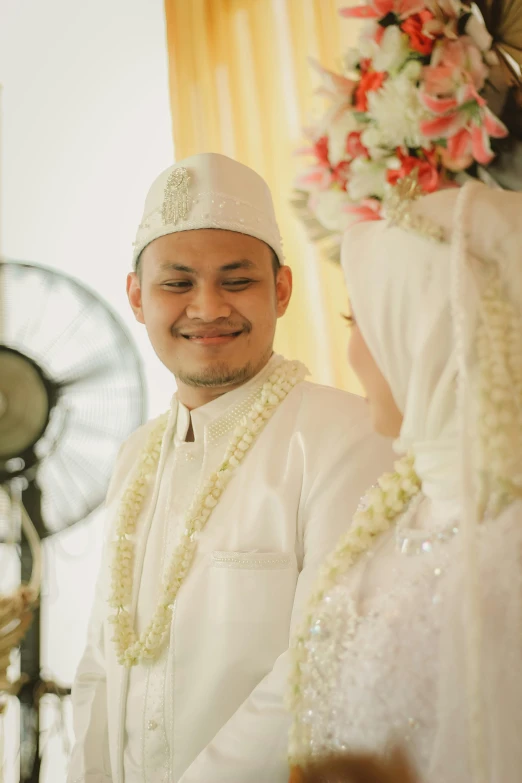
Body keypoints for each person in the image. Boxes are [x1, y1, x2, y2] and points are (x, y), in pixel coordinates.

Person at [67, 152, 392, 783]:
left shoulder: (347, 437)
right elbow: (99, 665)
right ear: (137, 296)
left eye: (236, 281)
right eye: (177, 283)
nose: (208, 307)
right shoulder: (136, 456)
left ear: (282, 290)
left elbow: (322, 662)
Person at [288, 179, 522, 781]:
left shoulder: (505, 549)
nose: (352, 354)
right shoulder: (403, 511)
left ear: (427, 332)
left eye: (358, 321)